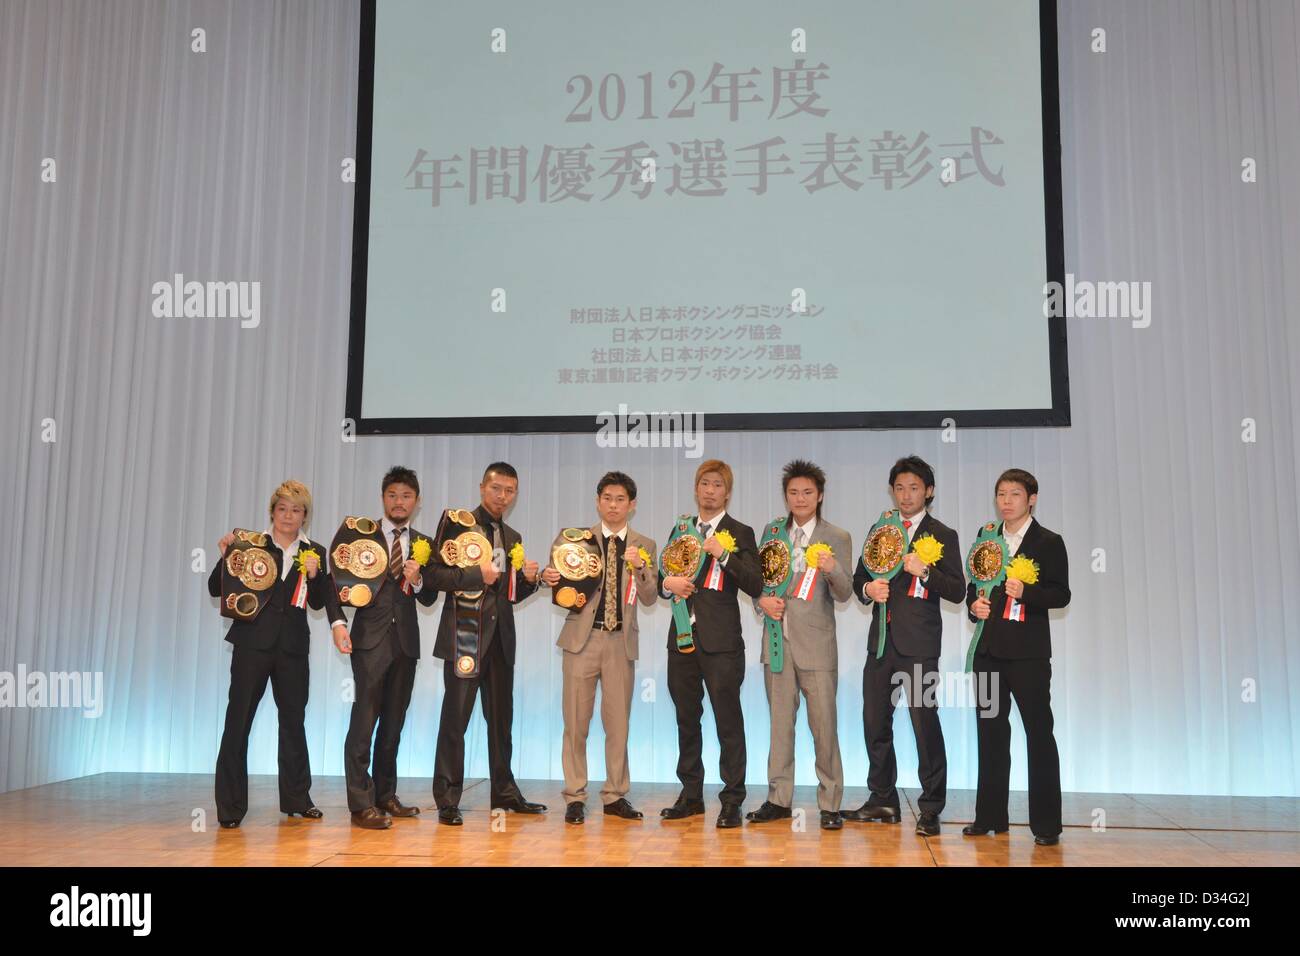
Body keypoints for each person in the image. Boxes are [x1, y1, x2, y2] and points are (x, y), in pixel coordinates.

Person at [337, 466, 473, 830]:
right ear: (384, 498)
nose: (400, 502)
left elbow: (429, 597)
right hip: (369, 640)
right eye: (393, 495)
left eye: (407, 496)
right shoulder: (362, 537)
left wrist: (418, 578)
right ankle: (360, 803)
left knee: (393, 725)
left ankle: (385, 795)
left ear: (417, 501)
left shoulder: (424, 543)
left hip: (406, 643)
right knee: (364, 723)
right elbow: (340, 585)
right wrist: (338, 620)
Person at [209, 479, 348, 828]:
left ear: (305, 515)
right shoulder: (251, 545)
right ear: (272, 511)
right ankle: (230, 807)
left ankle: (298, 799)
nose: (289, 516)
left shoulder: (313, 551)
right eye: (283, 508)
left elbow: (320, 601)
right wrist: (225, 555)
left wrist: (317, 580)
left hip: (292, 649)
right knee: (237, 724)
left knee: (293, 724)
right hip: (251, 645)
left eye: (297, 509)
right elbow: (215, 587)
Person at [846, 456, 964, 835]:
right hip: (880, 642)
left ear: (928, 491)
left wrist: (925, 571)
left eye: (914, 488)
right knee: (874, 722)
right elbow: (858, 577)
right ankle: (882, 799)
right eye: (899, 488)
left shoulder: (942, 533)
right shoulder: (881, 529)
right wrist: (867, 589)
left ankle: (931, 807)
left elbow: (958, 590)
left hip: (919, 646)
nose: (906, 495)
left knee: (923, 721)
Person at [540, 472, 658, 824]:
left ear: (632, 505)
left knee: (618, 723)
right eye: (607, 498)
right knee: (576, 723)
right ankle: (575, 796)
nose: (613, 505)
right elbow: (563, 590)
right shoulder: (576, 540)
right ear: (597, 500)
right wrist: (550, 579)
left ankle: (614, 795)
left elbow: (651, 597)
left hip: (621, 641)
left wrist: (641, 569)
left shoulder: (645, 545)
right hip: (582, 639)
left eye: (620, 499)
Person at [431, 462, 543, 825]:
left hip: (500, 641)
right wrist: (475, 574)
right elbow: (434, 576)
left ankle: (505, 792)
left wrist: (529, 580)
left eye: (510, 490)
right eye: (496, 488)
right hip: (464, 636)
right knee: (455, 721)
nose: (503, 496)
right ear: (482, 488)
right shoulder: (457, 523)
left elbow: (508, 593)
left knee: (501, 722)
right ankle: (448, 799)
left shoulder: (513, 535)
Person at [963, 468, 1070, 846]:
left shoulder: (1048, 541)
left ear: (1032, 499)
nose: (1006, 502)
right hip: (989, 653)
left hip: (1028, 657)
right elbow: (973, 587)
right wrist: (973, 605)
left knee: (1039, 735)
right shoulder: (985, 537)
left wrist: (1027, 591)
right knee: (990, 734)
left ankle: (1046, 825)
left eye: (1014, 495)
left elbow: (1061, 595)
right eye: (1001, 495)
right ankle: (990, 817)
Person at [659, 459, 762, 829]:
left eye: (717, 484)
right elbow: (662, 578)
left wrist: (724, 554)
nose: (710, 490)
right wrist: (667, 584)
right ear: (696, 488)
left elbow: (755, 583)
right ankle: (690, 795)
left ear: (727, 492)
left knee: (727, 722)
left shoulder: (741, 531)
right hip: (682, 638)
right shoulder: (681, 528)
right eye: (704, 483)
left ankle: (732, 799)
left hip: (722, 643)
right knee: (687, 719)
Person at [750, 459, 853, 831]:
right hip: (776, 640)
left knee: (824, 726)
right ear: (786, 496)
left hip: (817, 645)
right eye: (793, 492)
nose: (800, 498)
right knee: (780, 725)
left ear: (820, 495)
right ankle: (778, 799)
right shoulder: (771, 531)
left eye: (807, 492)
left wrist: (831, 568)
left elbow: (845, 593)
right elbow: (759, 581)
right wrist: (761, 601)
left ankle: (830, 802)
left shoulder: (836, 536)